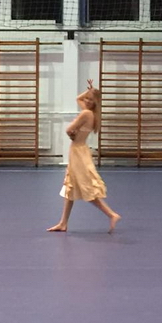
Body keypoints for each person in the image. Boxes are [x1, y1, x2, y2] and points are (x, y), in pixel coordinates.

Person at [47, 80, 121, 233]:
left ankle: (111, 214)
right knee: (70, 187)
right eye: (86, 98)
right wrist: (90, 91)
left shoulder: (86, 113)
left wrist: (71, 134)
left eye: (90, 100)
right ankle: (63, 223)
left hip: (78, 153)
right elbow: (78, 99)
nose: (86, 101)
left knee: (86, 188)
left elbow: (69, 129)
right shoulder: (92, 114)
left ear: (95, 103)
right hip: (80, 150)